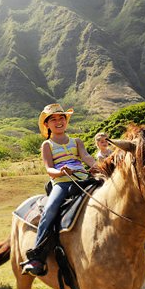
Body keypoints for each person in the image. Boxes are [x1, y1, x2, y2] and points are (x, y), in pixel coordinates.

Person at [22, 104, 97, 276]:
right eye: (53, 119)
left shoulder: (76, 142)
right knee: (50, 210)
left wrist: (96, 166)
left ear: (66, 121)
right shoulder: (47, 145)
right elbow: (49, 168)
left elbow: (86, 157)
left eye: (61, 118)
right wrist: (60, 171)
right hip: (62, 183)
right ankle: (37, 256)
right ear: (47, 125)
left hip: (83, 179)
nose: (58, 122)